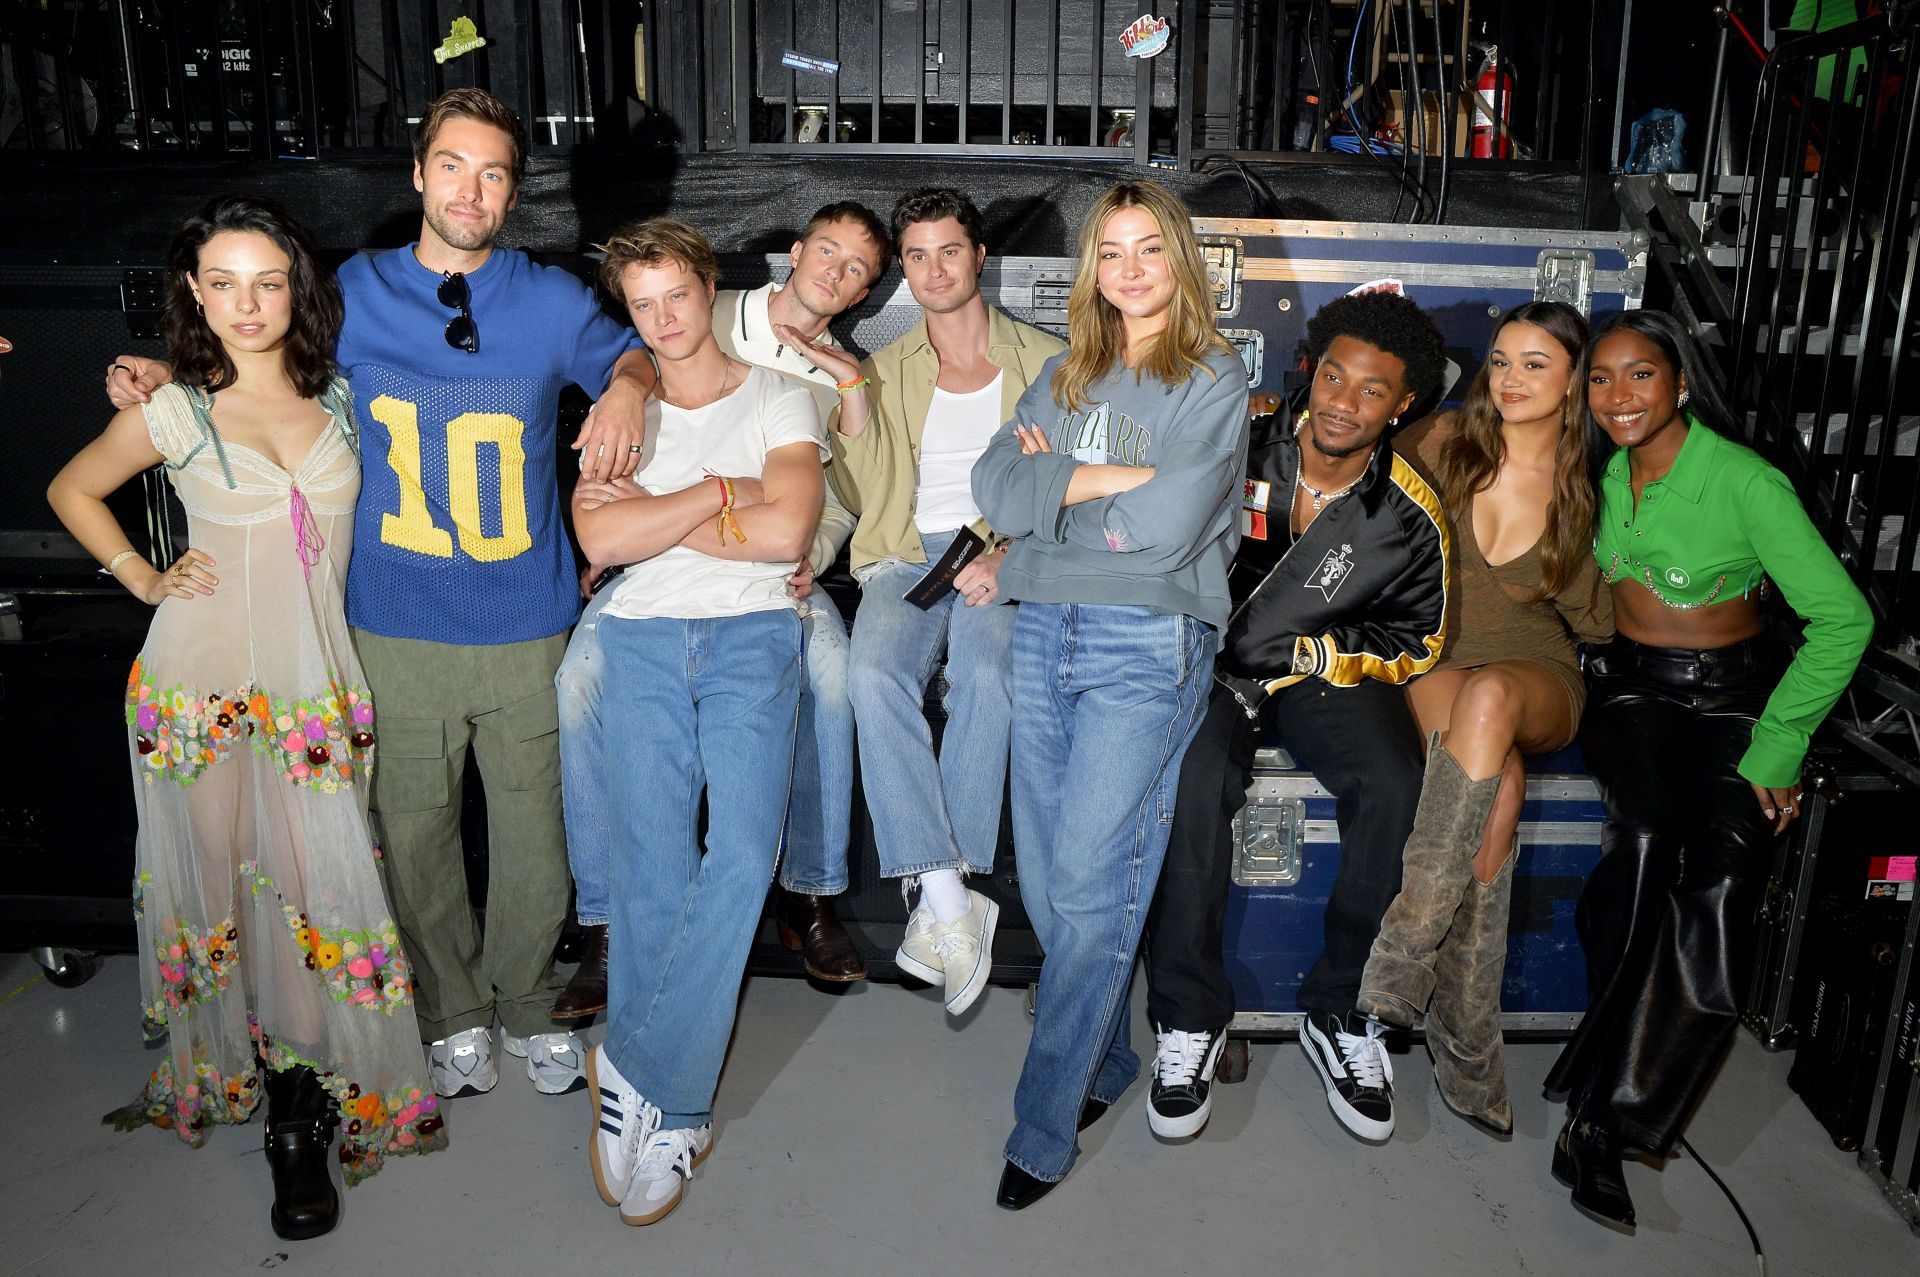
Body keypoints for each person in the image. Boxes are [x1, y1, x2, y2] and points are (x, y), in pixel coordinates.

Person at [106, 89, 657, 1102]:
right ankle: (450, 1011)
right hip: (393, 619)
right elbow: (252, 355)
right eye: (452, 166)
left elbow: (633, 350)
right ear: (417, 174)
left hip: (526, 618)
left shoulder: (549, 298)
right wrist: (161, 377)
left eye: (493, 173)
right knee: (413, 831)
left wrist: (627, 382)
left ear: (514, 192)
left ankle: (529, 1000)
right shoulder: (351, 291)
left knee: (536, 836)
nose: (470, 190)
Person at [49, 194, 445, 1240]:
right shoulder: (173, 411)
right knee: (224, 897)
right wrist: (142, 575)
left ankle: (304, 1097)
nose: (247, 303)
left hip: (316, 693)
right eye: (222, 283)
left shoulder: (343, 399)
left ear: (296, 288)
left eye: (267, 281)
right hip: (198, 694)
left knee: (314, 898)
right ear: (194, 292)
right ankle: (287, 1127)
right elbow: (72, 488)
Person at [1544, 309, 1871, 1228]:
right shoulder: (1595, 474)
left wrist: (1781, 743)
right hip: (1629, 689)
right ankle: (1603, 1089)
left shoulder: (1745, 481)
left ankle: (1609, 1117)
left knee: (1726, 883)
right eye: (1600, 378)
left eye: (1640, 374)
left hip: (1738, 698)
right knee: (1646, 838)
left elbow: (1844, 619)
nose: (1618, 396)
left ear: (1681, 382)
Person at [972, 179, 1249, 1209]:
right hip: (1041, 626)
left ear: (1181, 260)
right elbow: (994, 489)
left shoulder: (1213, 375)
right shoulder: (1065, 371)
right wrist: (1108, 485)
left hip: (1146, 639)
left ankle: (1042, 1125)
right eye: (1112, 252)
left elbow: (1166, 529)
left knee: (1091, 887)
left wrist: (1057, 490)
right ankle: (1108, 1057)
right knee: (1051, 882)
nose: (1131, 270)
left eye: (1150, 248)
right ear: (1093, 269)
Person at [550, 201, 887, 1014]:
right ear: (796, 251)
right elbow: (645, 350)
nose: (835, 272)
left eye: (856, 269)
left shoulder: (839, 375)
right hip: (662, 576)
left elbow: (834, 502)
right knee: (576, 683)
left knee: (834, 673)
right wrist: (625, 392)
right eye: (828, 251)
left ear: (865, 292)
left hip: (771, 569)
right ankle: (604, 921)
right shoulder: (717, 307)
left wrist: (802, 550)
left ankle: (810, 891)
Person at [1142, 287, 1450, 1145]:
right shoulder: (1238, 439)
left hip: (1322, 671)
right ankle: (1189, 1018)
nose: (1344, 402)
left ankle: (1343, 1009)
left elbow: (1419, 638)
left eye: (1372, 390)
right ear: (1311, 369)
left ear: (1403, 404)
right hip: (1215, 661)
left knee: (1394, 780)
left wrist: (1321, 652)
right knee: (1190, 776)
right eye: (1335, 377)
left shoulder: (1410, 513)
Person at [569, 219, 825, 1226]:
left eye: (676, 294)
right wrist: (724, 492)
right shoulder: (620, 413)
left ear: (707, 288)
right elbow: (602, 534)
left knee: (746, 852)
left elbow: (789, 528)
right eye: (642, 304)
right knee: (651, 862)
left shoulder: (780, 396)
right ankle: (678, 1114)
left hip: (753, 634)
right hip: (639, 636)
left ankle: (636, 1069)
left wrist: (667, 511)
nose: (664, 319)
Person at [773, 187, 1065, 1014]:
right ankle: (945, 894)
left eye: (950, 251)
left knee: (989, 674)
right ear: (902, 270)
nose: (934, 271)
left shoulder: (1049, 361)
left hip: (998, 555)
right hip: (903, 555)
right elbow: (861, 497)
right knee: (872, 675)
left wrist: (1012, 557)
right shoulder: (885, 367)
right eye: (916, 256)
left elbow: (1070, 487)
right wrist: (852, 391)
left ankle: (947, 902)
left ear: (980, 257)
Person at [1354, 301, 1612, 1134]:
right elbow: (1356, 507)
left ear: (1573, 380)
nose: (1509, 379)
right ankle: (1467, 1043)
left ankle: (1404, 952)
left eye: (1536, 364)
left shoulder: (1593, 482)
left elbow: (1601, 619)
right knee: (1496, 790)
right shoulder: (1440, 441)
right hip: (1436, 656)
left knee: (1494, 696)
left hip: (1537, 671)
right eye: (1500, 360)